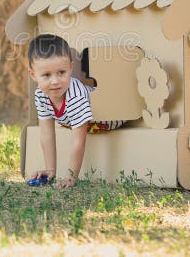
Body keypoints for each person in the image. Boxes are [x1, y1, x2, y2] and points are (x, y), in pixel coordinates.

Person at [27, 34, 125, 188]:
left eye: (61, 72)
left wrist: (70, 177)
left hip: (112, 118)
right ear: (33, 75)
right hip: (81, 122)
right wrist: (50, 170)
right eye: (46, 75)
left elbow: (78, 141)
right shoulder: (41, 94)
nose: (55, 81)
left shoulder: (75, 95)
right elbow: (46, 134)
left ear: (71, 67)